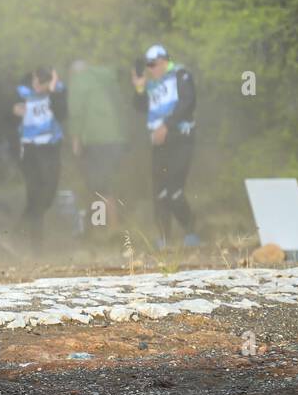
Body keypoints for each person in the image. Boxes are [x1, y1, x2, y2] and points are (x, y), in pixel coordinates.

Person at [132, 44, 199, 248]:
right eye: (148, 66)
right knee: (159, 191)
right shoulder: (152, 83)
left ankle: (190, 232)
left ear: (163, 61)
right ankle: (164, 238)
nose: (151, 69)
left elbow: (188, 102)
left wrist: (167, 126)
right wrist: (139, 87)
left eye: (154, 64)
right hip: (159, 143)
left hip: (180, 138)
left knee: (174, 191)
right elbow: (139, 106)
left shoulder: (180, 74)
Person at [67, 60, 126, 229]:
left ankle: (108, 227)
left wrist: (75, 139)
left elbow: (76, 112)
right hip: (117, 138)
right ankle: (102, 224)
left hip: (96, 139)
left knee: (98, 184)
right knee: (104, 183)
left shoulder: (79, 81)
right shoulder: (106, 78)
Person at [14, 66, 67, 249]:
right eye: (35, 80)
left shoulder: (57, 92)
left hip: (51, 148)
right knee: (35, 194)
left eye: (42, 82)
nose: (37, 85)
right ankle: (34, 244)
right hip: (30, 150)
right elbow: (7, 112)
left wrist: (52, 89)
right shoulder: (22, 91)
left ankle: (20, 230)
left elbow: (62, 114)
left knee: (49, 194)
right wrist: (14, 110)